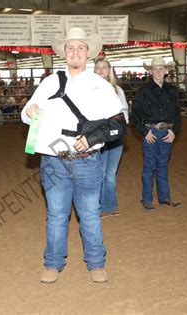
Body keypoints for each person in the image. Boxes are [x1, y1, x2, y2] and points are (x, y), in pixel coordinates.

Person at [21, 27, 125, 284]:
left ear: (88, 53)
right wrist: (30, 110)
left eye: (80, 48)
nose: (75, 52)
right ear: (64, 53)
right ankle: (53, 263)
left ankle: (96, 263)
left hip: (87, 160)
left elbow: (118, 124)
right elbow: (26, 114)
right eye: (70, 48)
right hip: (54, 160)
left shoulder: (101, 86)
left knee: (89, 213)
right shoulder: (49, 82)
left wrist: (92, 138)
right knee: (56, 213)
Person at [132, 56, 182, 211]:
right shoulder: (143, 91)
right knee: (149, 166)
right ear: (151, 71)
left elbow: (177, 113)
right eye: (155, 69)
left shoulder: (172, 90)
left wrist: (174, 131)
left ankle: (164, 197)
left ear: (166, 71)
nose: (159, 71)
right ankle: (147, 199)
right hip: (151, 132)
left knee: (162, 165)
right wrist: (144, 132)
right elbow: (134, 115)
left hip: (167, 131)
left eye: (161, 69)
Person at [94, 56, 129, 218]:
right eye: (98, 67)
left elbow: (124, 111)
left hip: (115, 137)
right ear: (94, 71)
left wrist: (121, 127)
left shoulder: (117, 90)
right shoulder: (90, 90)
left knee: (110, 174)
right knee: (100, 173)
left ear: (110, 71)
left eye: (104, 67)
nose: (101, 70)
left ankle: (111, 206)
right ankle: (99, 207)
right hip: (98, 137)